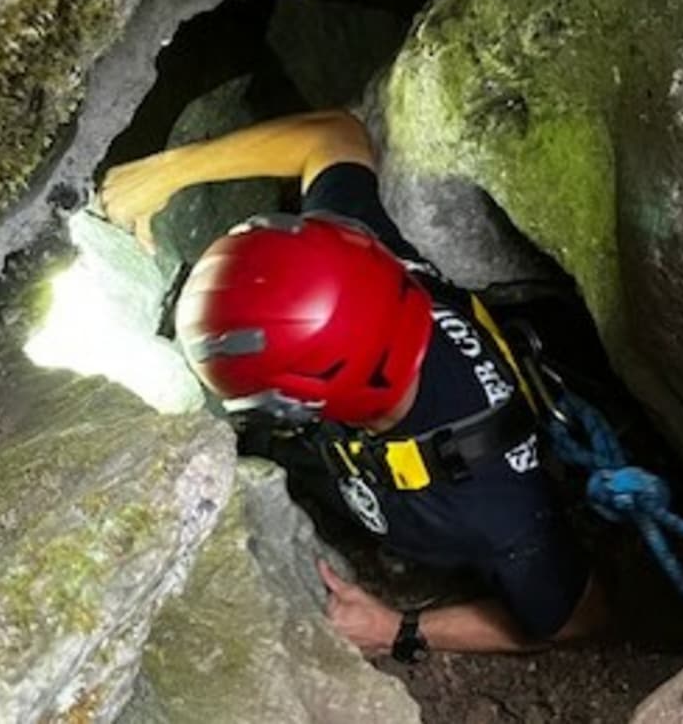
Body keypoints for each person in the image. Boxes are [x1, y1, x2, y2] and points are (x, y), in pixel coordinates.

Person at [94, 108, 605, 661]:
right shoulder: (352, 266)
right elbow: (333, 135)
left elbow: (582, 616)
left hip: (430, 485)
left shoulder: (493, 505)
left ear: (297, 406)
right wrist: (171, 172)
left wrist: (399, 629)